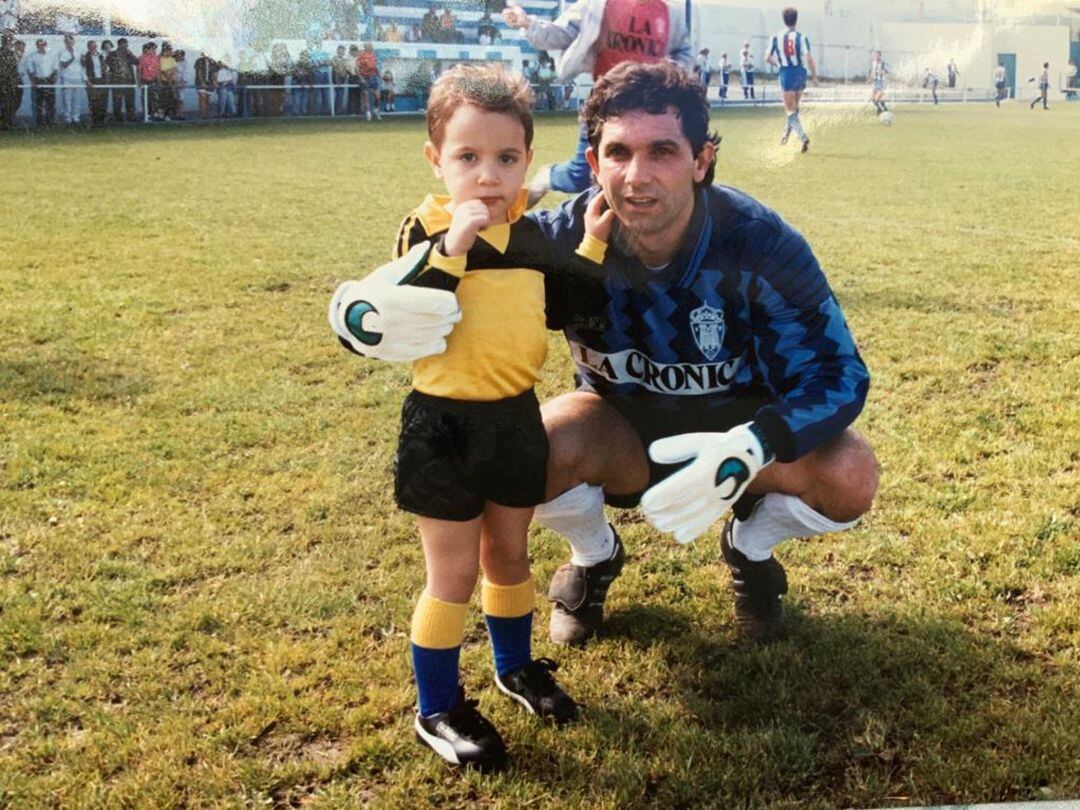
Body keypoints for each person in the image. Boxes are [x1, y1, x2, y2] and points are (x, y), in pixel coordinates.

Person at [331, 61, 876, 648]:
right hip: (621, 436)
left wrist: (755, 443)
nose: (637, 176)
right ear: (592, 165)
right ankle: (593, 558)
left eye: (663, 151)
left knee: (850, 474)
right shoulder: (557, 240)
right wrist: (357, 312)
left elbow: (838, 373)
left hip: (740, 443)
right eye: (618, 153)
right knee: (519, 451)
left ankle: (751, 551)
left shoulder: (761, 243)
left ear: (702, 160)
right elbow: (430, 272)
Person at [329, 63, 595, 772]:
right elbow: (398, 310)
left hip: (514, 420)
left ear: (528, 162)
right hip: (442, 428)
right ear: (435, 160)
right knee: (451, 573)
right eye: (468, 158)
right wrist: (453, 247)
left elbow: (568, 306)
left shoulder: (534, 239)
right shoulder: (426, 228)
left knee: (509, 554)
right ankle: (438, 706)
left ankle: (514, 667)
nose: (488, 176)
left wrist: (593, 243)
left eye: (506, 159)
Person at [501, 0, 691, 206]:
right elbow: (560, 34)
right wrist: (527, 23)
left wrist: (669, 76)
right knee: (581, 175)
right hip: (606, 101)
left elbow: (684, 53)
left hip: (653, 107)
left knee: (646, 172)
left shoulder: (670, 13)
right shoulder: (597, 5)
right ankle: (547, 178)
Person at [766, 6, 817, 153]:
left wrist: (779, 63)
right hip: (800, 73)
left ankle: (802, 137)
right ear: (796, 20)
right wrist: (814, 76)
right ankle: (785, 135)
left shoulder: (775, 38)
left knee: (790, 109)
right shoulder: (802, 37)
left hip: (787, 73)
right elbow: (808, 57)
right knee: (794, 108)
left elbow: (767, 57)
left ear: (784, 20)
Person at [26, 37, 56, 127]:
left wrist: (55, 78)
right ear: (37, 46)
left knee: (51, 103)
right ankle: (39, 124)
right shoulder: (32, 56)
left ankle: (51, 123)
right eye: (39, 45)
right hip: (38, 80)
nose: (41, 46)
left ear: (45, 45)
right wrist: (32, 82)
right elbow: (30, 71)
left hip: (49, 80)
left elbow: (55, 69)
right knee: (38, 104)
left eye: (42, 44)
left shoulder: (51, 55)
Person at [107, 37, 138, 122]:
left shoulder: (128, 54)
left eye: (127, 45)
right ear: (120, 44)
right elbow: (110, 66)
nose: (126, 46)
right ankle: (118, 118)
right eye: (125, 44)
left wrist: (130, 54)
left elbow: (137, 62)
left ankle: (131, 117)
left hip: (129, 81)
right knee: (117, 101)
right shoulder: (112, 54)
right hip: (117, 81)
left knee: (130, 100)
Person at [56, 32, 81, 125]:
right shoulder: (62, 52)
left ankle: (76, 118)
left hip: (77, 77)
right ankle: (67, 118)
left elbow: (81, 65)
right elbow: (64, 65)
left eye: (71, 40)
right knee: (67, 99)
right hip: (66, 77)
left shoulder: (78, 51)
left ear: (73, 41)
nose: (69, 42)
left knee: (77, 99)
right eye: (67, 41)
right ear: (65, 42)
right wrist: (72, 58)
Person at [81, 39, 107, 126]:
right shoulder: (85, 57)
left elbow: (105, 68)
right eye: (93, 46)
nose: (94, 48)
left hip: (101, 81)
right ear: (89, 47)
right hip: (92, 81)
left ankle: (101, 122)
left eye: (95, 46)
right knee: (93, 102)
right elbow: (82, 71)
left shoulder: (100, 56)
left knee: (102, 101)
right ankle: (94, 122)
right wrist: (87, 81)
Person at [356, 41, 380, 120]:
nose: (371, 47)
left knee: (377, 96)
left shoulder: (373, 55)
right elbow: (356, 69)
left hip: (373, 77)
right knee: (366, 96)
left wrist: (379, 75)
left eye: (371, 46)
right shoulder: (361, 56)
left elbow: (375, 67)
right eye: (369, 46)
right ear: (366, 47)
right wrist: (361, 78)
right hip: (365, 78)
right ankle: (368, 113)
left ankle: (376, 111)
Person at [0, 31, 18, 130]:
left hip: (9, 84)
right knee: (3, 104)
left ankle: (6, 123)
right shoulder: (2, 53)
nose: (12, 43)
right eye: (10, 41)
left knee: (8, 105)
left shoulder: (11, 53)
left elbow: (14, 69)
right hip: (3, 83)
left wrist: (14, 81)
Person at [138, 42, 161, 120]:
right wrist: (139, 82)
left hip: (154, 81)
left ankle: (154, 114)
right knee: (145, 98)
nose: (154, 50)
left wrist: (159, 81)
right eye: (153, 48)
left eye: (155, 49)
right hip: (145, 81)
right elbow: (138, 70)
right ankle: (146, 114)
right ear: (148, 49)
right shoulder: (141, 58)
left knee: (155, 98)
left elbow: (158, 70)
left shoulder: (156, 58)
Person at [194, 50, 215, 118]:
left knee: (207, 99)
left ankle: (206, 114)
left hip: (209, 82)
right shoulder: (199, 61)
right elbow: (199, 72)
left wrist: (214, 81)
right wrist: (202, 82)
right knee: (202, 98)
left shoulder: (212, 62)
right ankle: (203, 115)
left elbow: (213, 72)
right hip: (200, 82)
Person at [331, 44, 349, 114]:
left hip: (343, 78)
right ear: (337, 51)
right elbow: (335, 70)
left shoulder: (345, 60)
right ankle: (337, 110)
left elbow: (346, 69)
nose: (341, 52)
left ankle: (339, 109)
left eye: (343, 51)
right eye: (340, 51)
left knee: (341, 94)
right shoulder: (334, 59)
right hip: (336, 78)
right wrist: (337, 79)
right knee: (338, 94)